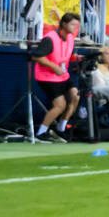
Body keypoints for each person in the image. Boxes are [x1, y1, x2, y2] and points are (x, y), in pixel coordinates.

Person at [32, 13, 82, 142]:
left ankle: (61, 128)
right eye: (72, 24)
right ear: (64, 24)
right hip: (47, 76)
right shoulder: (50, 38)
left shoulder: (70, 38)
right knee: (60, 105)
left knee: (75, 96)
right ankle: (41, 133)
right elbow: (36, 56)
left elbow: (67, 56)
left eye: (77, 25)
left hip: (63, 75)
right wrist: (54, 67)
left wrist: (76, 58)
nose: (75, 27)